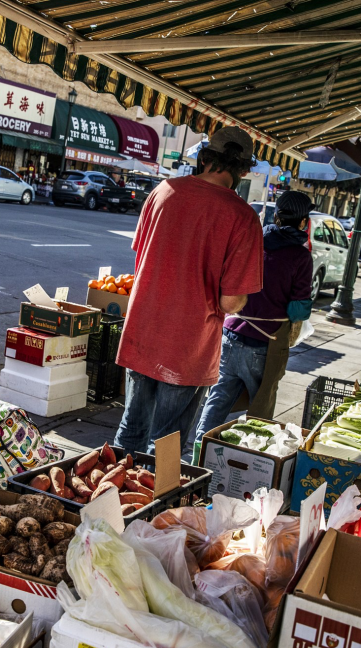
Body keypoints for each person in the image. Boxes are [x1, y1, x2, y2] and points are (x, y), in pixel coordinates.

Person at [114, 127, 264, 456]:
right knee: (166, 446)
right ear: (243, 169)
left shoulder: (163, 191)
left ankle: (111, 500)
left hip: (142, 331)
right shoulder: (243, 218)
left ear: (206, 157)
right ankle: (153, 506)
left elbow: (141, 257)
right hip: (188, 347)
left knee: (131, 431)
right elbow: (231, 301)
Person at [194, 191, 313, 445]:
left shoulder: (254, 240)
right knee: (260, 415)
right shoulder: (300, 256)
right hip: (265, 345)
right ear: (304, 221)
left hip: (230, 334)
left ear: (277, 216)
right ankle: (246, 462)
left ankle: (198, 450)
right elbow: (298, 310)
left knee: (218, 399)